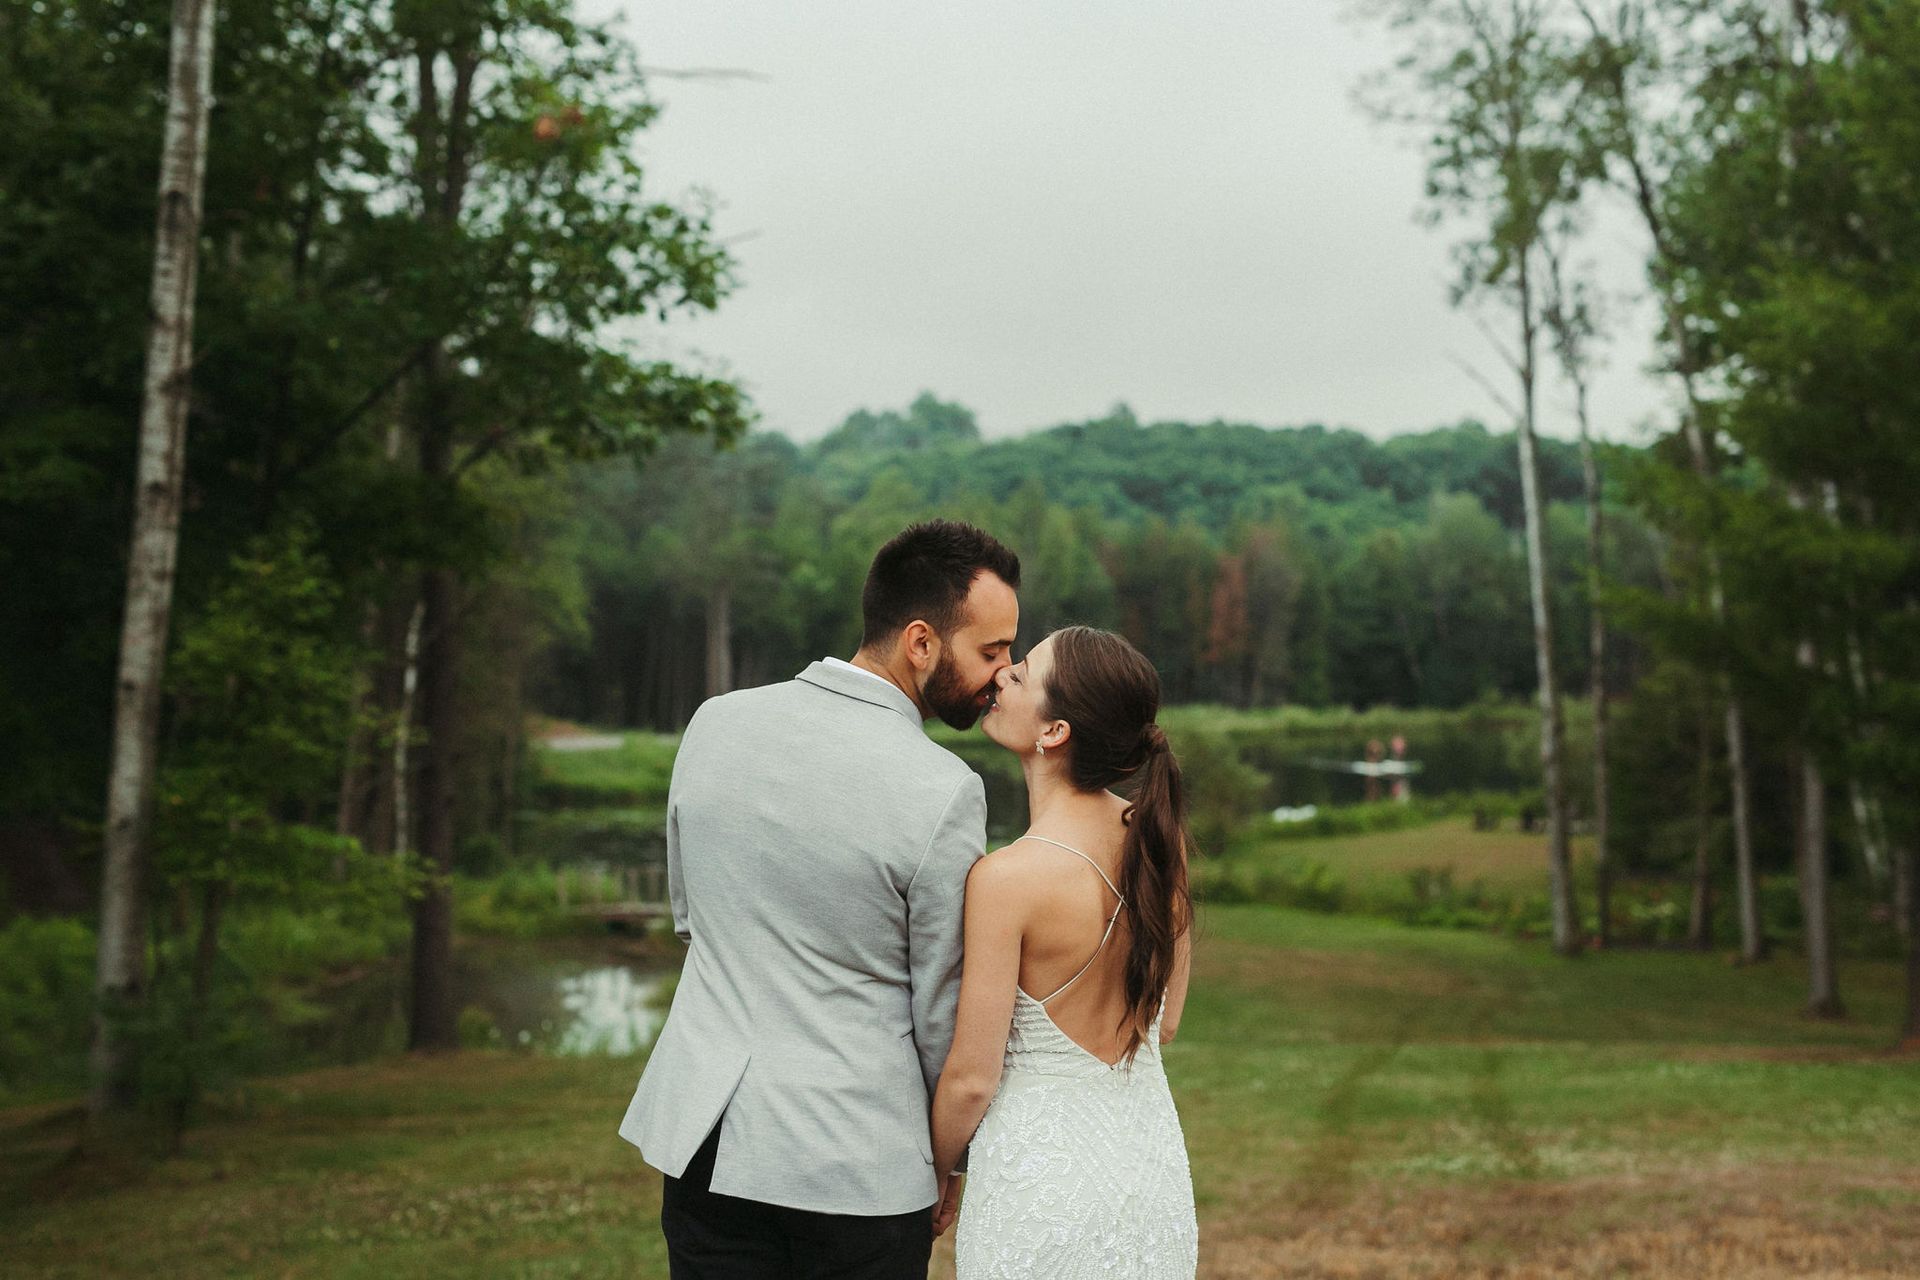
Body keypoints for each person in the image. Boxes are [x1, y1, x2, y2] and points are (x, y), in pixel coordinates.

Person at [617, 519, 1020, 1279]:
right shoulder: (944, 790)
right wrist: (944, 1163)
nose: (1004, 673)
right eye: (992, 652)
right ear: (922, 643)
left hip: (709, 1141)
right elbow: (941, 1010)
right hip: (857, 1167)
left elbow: (689, 918)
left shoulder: (716, 721)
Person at [933, 625, 1198, 1278]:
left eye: (1019, 674)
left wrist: (936, 1174)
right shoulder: (1160, 843)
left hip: (1039, 1193)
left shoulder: (1006, 879)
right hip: (1153, 1180)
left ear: (1055, 733)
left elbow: (971, 1081)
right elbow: (1164, 1023)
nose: (999, 677)